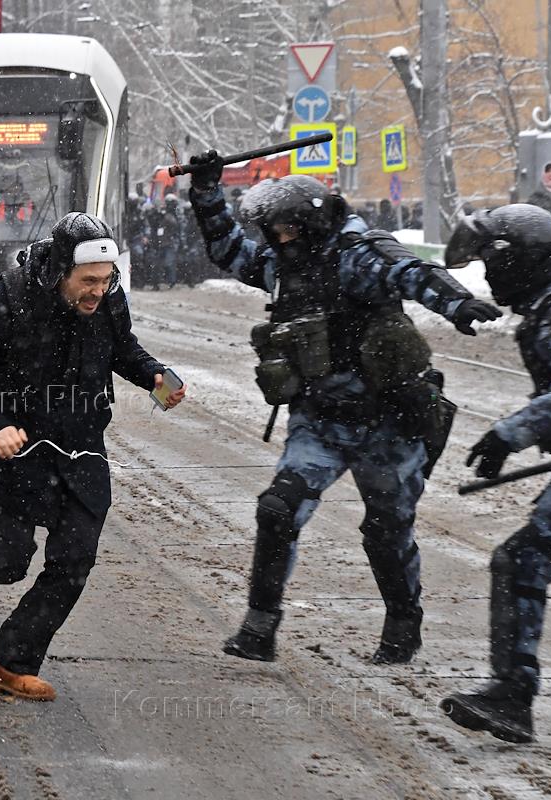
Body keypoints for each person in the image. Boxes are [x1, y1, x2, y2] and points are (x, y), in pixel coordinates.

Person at [186, 154, 503, 665]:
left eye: (285, 229)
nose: (277, 240)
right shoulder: (282, 264)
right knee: (278, 509)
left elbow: (411, 272)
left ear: (311, 223)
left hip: (388, 423)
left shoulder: (358, 255)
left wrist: (456, 303)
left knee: (386, 530)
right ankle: (259, 628)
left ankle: (403, 625)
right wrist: (206, 193)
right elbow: (228, 250)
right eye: (272, 232)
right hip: (320, 421)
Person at [0, 213, 186, 701]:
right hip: (16, 449)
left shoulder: (108, 300)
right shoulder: (5, 299)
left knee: (74, 560)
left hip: (82, 449)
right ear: (61, 270)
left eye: (106, 280)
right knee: (5, 562)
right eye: (88, 281)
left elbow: (122, 349)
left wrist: (154, 375)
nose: (98, 291)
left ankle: (11, 663)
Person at [440, 205, 551, 744]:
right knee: (526, 563)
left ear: (517, 260)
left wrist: (511, 433)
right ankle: (511, 694)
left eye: (491, 264)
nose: (490, 277)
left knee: (523, 560)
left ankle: (511, 694)